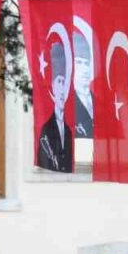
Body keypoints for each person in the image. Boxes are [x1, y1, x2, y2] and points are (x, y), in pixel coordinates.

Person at [36, 40, 74, 173]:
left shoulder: (69, 130)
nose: (62, 88)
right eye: (59, 81)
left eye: (64, 82)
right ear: (52, 85)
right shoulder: (46, 129)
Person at [72, 26, 94, 138]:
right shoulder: (66, 105)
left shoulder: (102, 104)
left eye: (87, 63)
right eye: (78, 62)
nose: (84, 69)